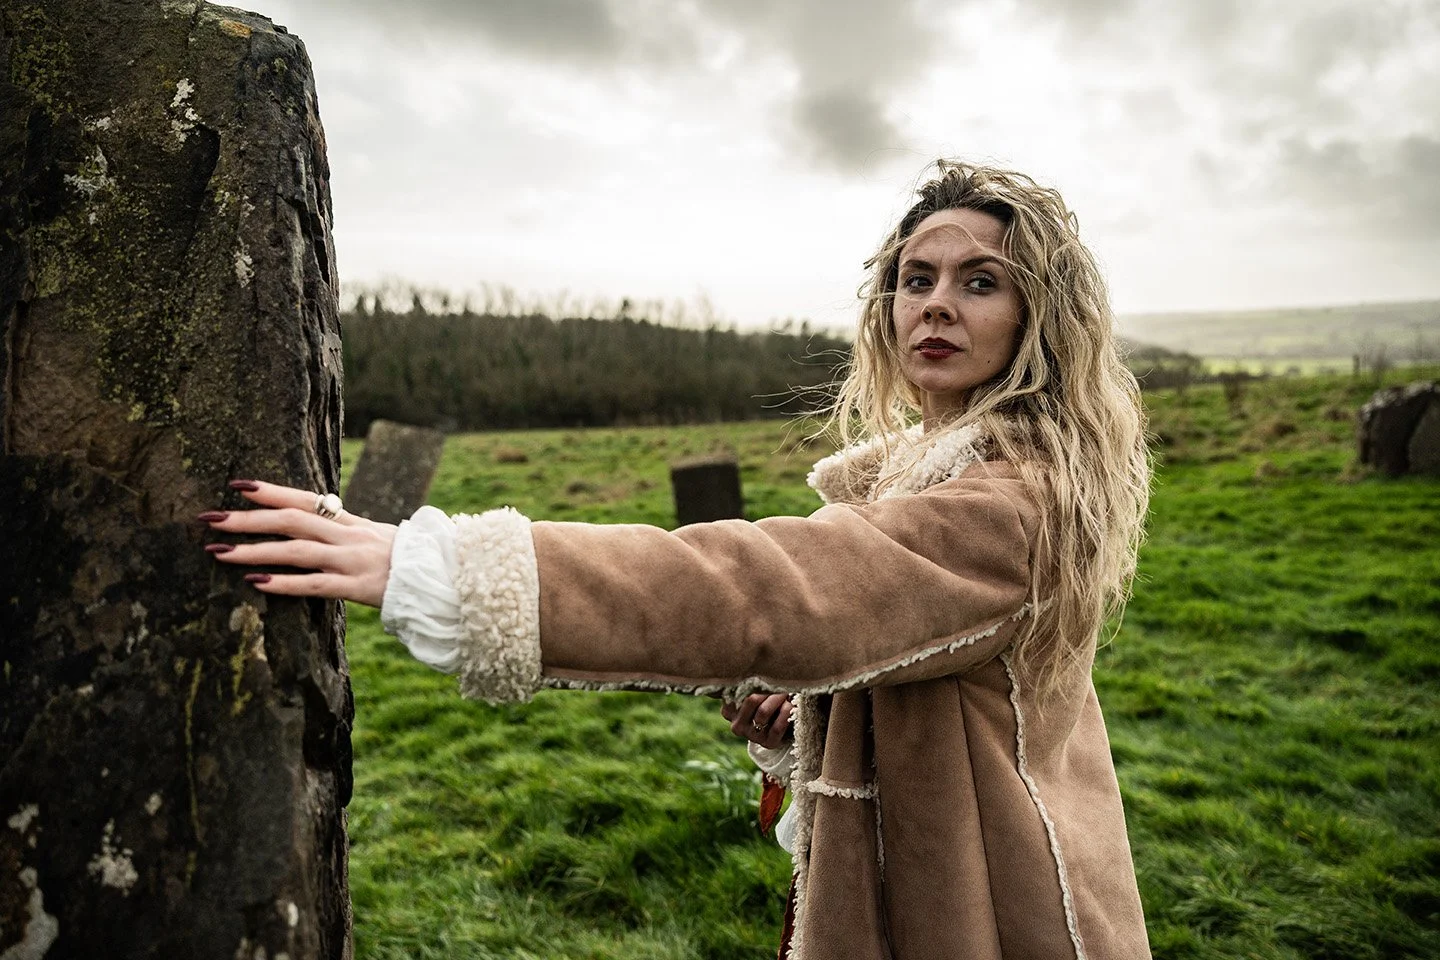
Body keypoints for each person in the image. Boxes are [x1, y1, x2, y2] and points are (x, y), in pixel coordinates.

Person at [201, 160, 1153, 959]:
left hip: (1000, 908)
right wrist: (813, 718)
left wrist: (442, 566)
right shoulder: (938, 475)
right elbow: (938, 678)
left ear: (1040, 316)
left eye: (980, 282)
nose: (936, 304)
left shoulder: (1015, 500)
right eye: (917, 278)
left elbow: (771, 588)